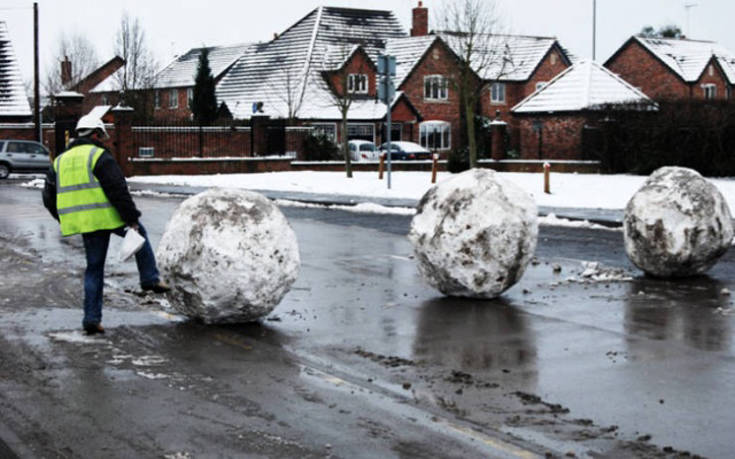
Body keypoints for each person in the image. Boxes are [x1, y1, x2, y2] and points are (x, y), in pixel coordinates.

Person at [42, 114, 169, 335]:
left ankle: (91, 319)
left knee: (94, 269)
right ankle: (149, 279)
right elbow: (117, 190)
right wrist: (132, 219)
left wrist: (64, 217)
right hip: (109, 217)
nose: (103, 140)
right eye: (102, 135)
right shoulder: (98, 155)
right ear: (95, 134)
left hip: (86, 224)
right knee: (141, 234)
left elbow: (48, 196)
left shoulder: (59, 161)